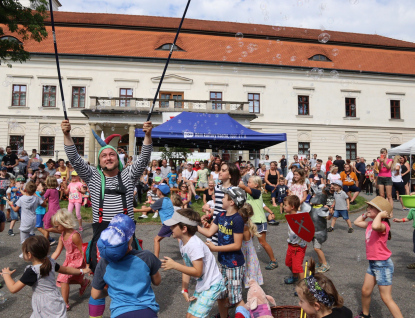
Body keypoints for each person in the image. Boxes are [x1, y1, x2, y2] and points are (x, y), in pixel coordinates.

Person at [0, 235, 91, 318]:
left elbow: (13, 289)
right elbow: (66, 270)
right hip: (55, 299)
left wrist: (6, 275)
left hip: (44, 304)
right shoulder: (50, 262)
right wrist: (82, 270)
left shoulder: (32, 271)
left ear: (29, 255)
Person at [91, 214, 161, 318]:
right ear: (129, 246)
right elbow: (157, 281)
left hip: (120, 313)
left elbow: (95, 294)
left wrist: (112, 292)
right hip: (147, 311)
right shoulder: (146, 257)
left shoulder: (104, 264)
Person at [161, 208, 226, 318]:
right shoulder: (183, 242)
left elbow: (197, 272)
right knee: (189, 316)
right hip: (204, 284)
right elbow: (187, 265)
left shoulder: (194, 245)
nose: (170, 228)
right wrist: (184, 289)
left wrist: (175, 265)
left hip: (212, 285)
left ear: (184, 229)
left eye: (173, 225)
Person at [198, 187, 246, 318]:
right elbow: (209, 232)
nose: (221, 199)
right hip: (222, 263)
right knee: (220, 294)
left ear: (232, 202)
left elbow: (237, 245)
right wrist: (194, 225)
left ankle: (244, 315)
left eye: (224, 197)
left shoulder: (237, 219)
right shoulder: (221, 215)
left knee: (235, 297)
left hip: (234, 264)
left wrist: (215, 248)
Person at [354, 197, 403, 318]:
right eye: (368, 207)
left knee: (386, 298)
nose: (368, 209)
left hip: (383, 264)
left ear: (380, 212)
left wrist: (380, 215)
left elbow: (376, 226)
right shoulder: (370, 223)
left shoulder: (383, 225)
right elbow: (357, 222)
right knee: (365, 291)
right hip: (373, 263)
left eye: (371, 208)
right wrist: (366, 214)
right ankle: (365, 315)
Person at [51, 209, 90, 310]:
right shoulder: (62, 235)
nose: (56, 228)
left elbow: (82, 250)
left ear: (64, 223)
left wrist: (88, 265)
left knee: (63, 279)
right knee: (67, 279)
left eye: (57, 226)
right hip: (69, 260)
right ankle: (83, 282)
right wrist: (48, 261)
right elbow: (57, 251)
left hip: (78, 260)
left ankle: (65, 304)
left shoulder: (75, 235)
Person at [239, 176, 278, 270]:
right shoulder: (249, 194)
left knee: (263, 243)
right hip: (251, 221)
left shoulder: (257, 192)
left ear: (256, 184)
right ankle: (245, 260)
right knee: (246, 240)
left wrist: (243, 186)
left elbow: (245, 188)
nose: (247, 184)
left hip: (259, 221)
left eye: (249, 182)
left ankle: (273, 260)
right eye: (247, 182)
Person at [135, 184, 174, 258]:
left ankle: (156, 259)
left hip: (168, 223)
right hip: (174, 222)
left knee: (156, 239)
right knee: (180, 238)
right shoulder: (167, 199)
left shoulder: (161, 200)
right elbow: (154, 205)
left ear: (159, 193)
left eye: (157, 190)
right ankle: (186, 251)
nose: (156, 191)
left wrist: (136, 210)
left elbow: (148, 209)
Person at [7, 182, 46, 250]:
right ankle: (33, 248)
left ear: (25, 190)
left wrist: (11, 204)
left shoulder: (22, 199)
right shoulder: (36, 198)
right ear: (34, 190)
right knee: (31, 235)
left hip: (25, 221)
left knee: (23, 241)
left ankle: (29, 252)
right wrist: (39, 196)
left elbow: (16, 210)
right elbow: (45, 205)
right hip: (33, 220)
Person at [236, 203, 263, 287]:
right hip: (249, 252)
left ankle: (253, 290)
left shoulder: (243, 227)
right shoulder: (247, 224)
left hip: (246, 253)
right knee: (250, 270)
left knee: (248, 271)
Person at [284, 195, 308, 285]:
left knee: (298, 267)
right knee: (289, 263)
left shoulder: (300, 218)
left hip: (299, 247)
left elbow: (307, 230)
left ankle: (303, 286)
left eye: (286, 205)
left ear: (292, 207)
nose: (284, 207)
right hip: (290, 245)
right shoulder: (289, 217)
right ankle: (295, 277)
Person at [42, 176, 61, 243]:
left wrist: (37, 194)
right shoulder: (56, 190)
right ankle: (45, 241)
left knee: (47, 226)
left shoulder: (49, 190)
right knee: (50, 225)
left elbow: (43, 197)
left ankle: (61, 232)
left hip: (51, 209)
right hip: (57, 208)